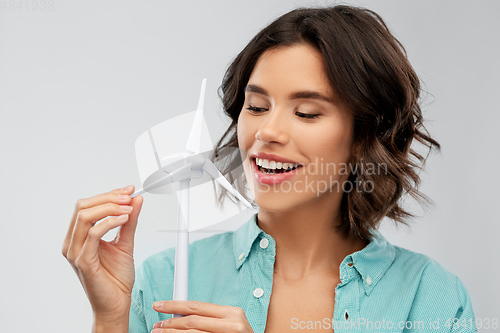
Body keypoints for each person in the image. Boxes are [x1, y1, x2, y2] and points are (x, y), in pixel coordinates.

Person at [63, 5, 477, 333]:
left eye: (307, 112)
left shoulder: (430, 299)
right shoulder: (160, 282)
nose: (267, 130)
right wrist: (111, 320)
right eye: (256, 107)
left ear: (365, 135)